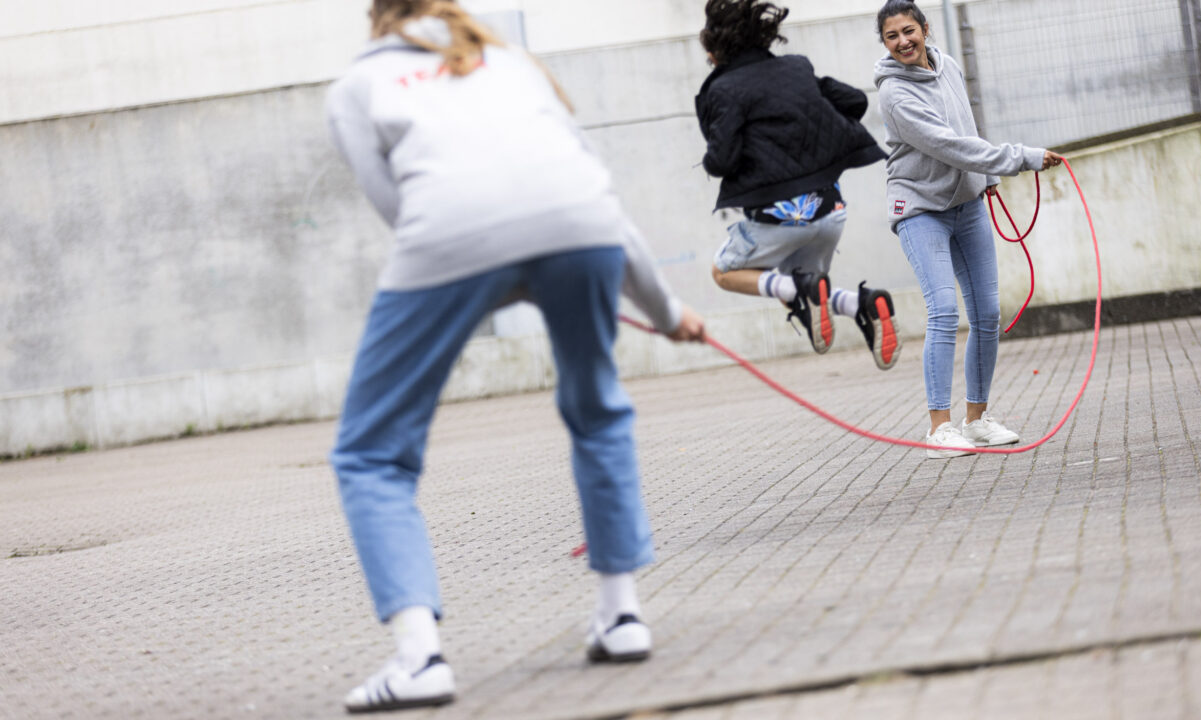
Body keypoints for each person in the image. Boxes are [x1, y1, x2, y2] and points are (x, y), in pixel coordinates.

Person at [324, 0, 705, 712]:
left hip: (450, 237)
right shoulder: (510, 61)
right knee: (597, 409)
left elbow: (400, 210)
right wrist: (665, 311)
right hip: (581, 227)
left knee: (370, 453)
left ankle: (419, 659)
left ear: (376, 15)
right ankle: (622, 614)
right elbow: (594, 190)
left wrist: (489, 273)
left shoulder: (357, 86)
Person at [873, 0, 1064, 458]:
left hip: (968, 204)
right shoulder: (894, 94)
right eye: (892, 36)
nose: (903, 42)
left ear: (925, 28)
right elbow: (950, 146)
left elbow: (967, 127)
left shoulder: (949, 66)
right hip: (920, 209)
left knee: (987, 313)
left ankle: (976, 421)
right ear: (884, 43)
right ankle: (939, 429)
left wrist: (988, 178)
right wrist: (1022, 157)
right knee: (943, 310)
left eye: (908, 31)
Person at [695, 0, 902, 370]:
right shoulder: (797, 68)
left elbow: (721, 160)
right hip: (830, 212)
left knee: (723, 272)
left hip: (778, 218)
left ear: (715, 49)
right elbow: (854, 100)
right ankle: (866, 304)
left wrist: (711, 160)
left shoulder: (724, 88)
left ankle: (806, 289)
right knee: (796, 287)